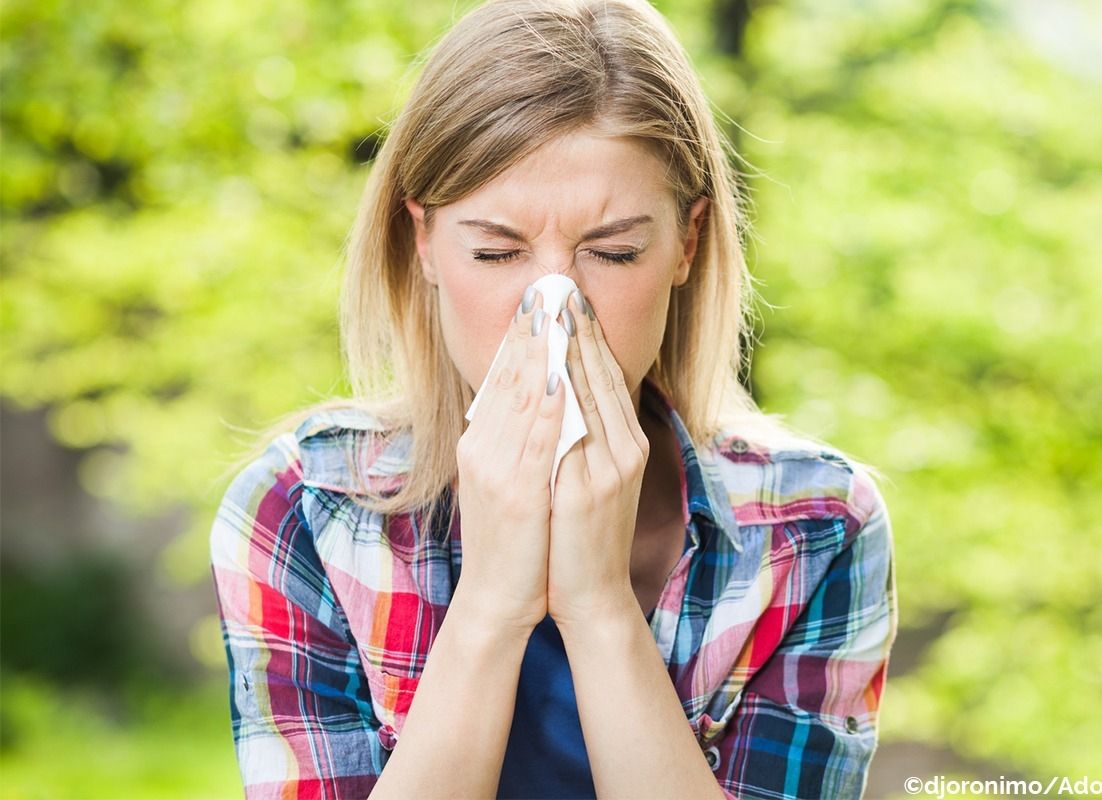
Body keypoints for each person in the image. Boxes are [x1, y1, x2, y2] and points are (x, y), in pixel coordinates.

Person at [209, 0, 899, 798]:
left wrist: (601, 607)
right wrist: (494, 604)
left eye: (613, 252)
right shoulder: (304, 509)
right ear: (425, 242)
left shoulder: (816, 526)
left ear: (688, 242)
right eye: (497, 251)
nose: (555, 309)